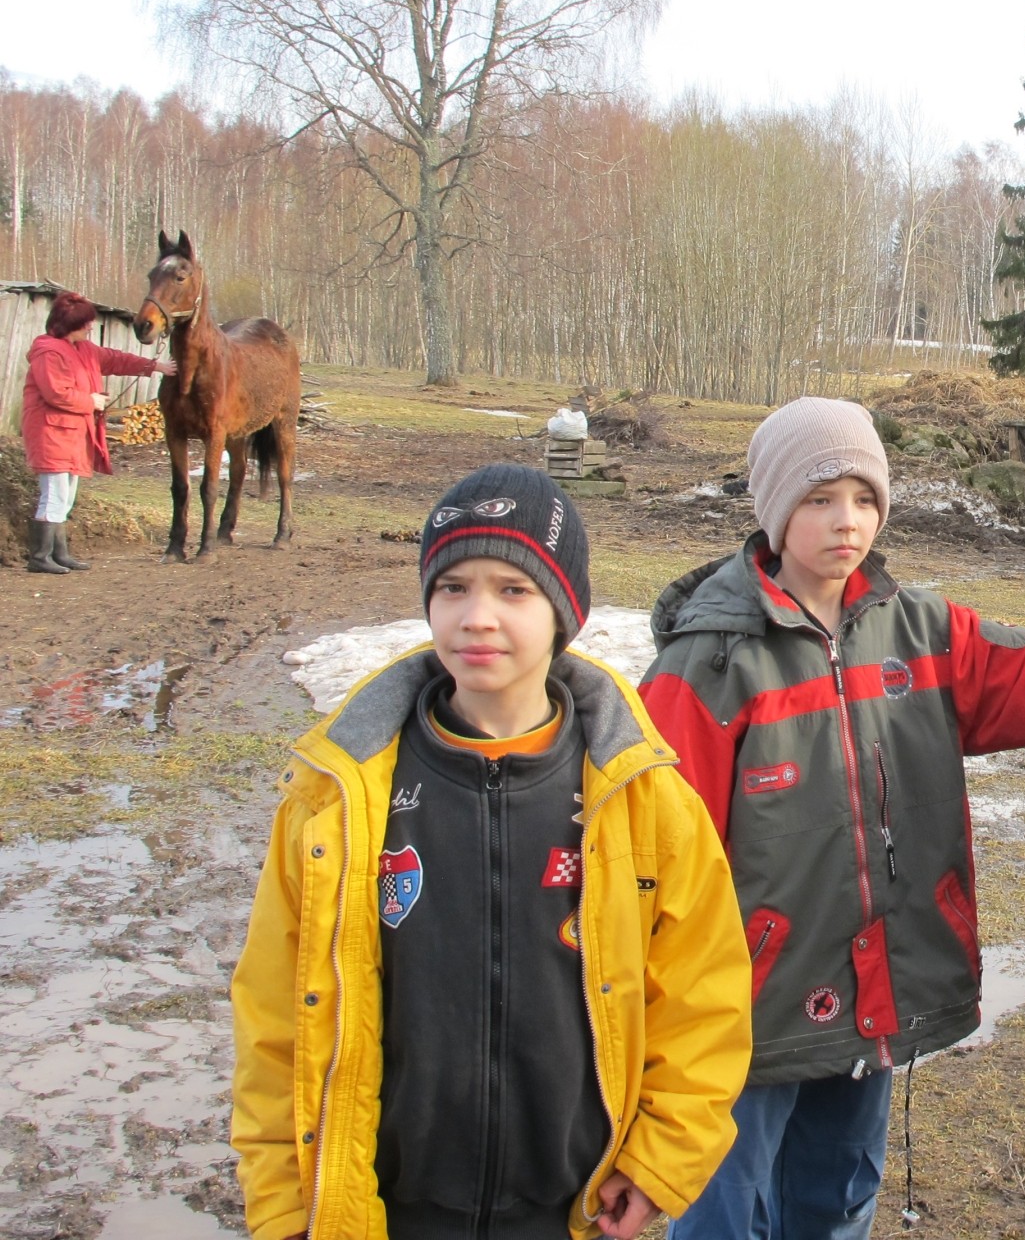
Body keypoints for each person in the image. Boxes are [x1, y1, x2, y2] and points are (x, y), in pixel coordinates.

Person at [640, 397, 1025, 1240]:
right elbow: (658, 860)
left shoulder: (919, 633)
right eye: (819, 500)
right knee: (723, 1216)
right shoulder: (707, 667)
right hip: (745, 1017)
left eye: (863, 499)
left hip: (873, 993)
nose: (845, 522)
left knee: (837, 1200)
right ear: (776, 510)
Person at [231, 464, 754, 1240]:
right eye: (453, 588)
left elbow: (702, 997)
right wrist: (282, 1205)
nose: (477, 617)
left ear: (563, 612)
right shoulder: (338, 799)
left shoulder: (642, 799)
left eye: (513, 590)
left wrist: (661, 1160)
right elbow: (277, 1015)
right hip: (391, 1208)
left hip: (568, 1210)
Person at [20, 289, 175, 573]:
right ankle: (40, 557)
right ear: (69, 324)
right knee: (53, 495)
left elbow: (116, 359)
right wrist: (89, 401)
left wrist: (154, 366)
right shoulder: (48, 352)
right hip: (51, 432)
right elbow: (56, 393)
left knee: (66, 496)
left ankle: (59, 553)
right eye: (85, 322)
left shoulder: (84, 349)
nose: (91, 326)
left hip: (72, 432)